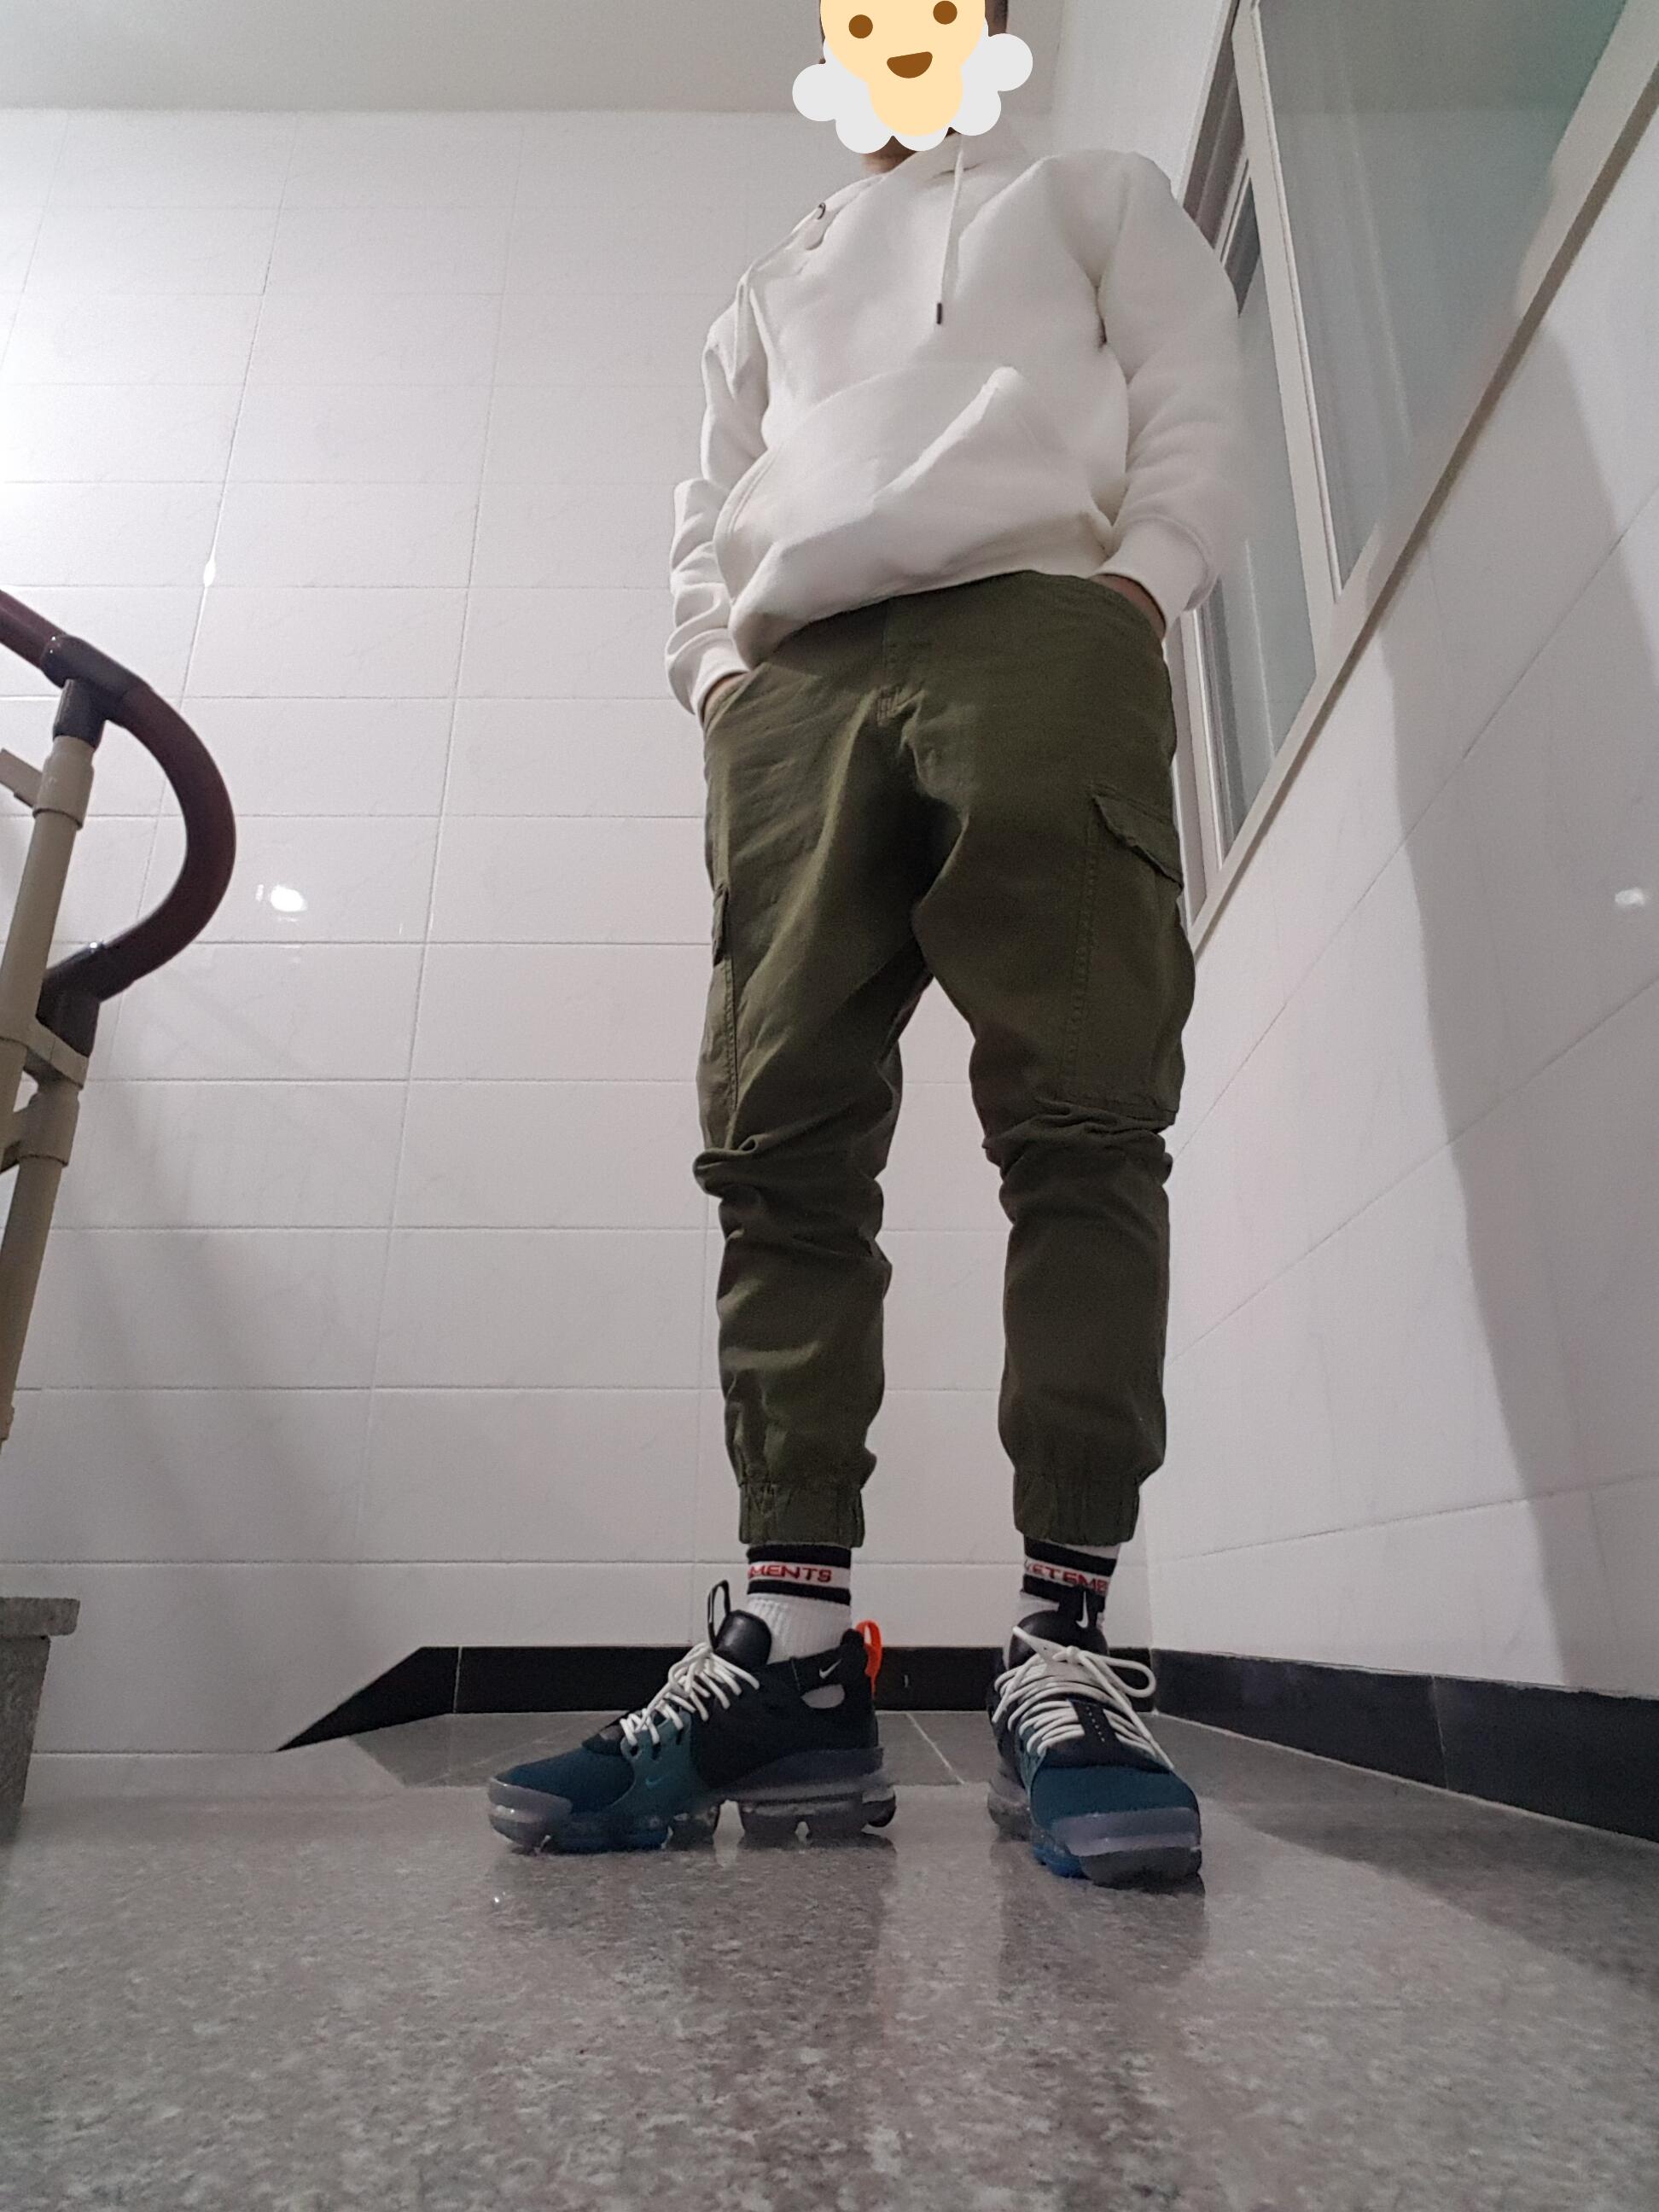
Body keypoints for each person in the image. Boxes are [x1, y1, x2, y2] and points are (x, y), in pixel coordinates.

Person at [489, 0, 1249, 1886]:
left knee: (1084, 1125)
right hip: (798, 685)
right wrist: (717, 678)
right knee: (776, 1149)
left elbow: (1195, 389)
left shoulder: (1092, 191)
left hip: (1045, 624)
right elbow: (703, 517)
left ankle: (1065, 1648)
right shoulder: (768, 289)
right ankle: (797, 1652)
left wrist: (1139, 593)